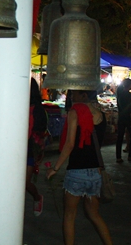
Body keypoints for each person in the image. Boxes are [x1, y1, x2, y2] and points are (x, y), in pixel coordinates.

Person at [46, 90, 112, 245]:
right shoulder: (101, 115)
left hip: (76, 171)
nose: (71, 95)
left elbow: (70, 144)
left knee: (69, 216)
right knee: (94, 215)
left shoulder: (74, 113)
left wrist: (55, 168)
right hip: (95, 172)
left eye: (75, 92)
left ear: (84, 95)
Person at [26, 78, 48, 216]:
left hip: (29, 149)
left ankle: (37, 197)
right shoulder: (18, 104)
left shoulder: (37, 109)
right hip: (17, 147)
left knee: (24, 182)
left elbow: (39, 132)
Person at [115, 78, 131, 163]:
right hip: (129, 118)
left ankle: (118, 157)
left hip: (121, 117)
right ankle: (130, 156)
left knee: (119, 138)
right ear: (130, 86)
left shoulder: (119, 95)